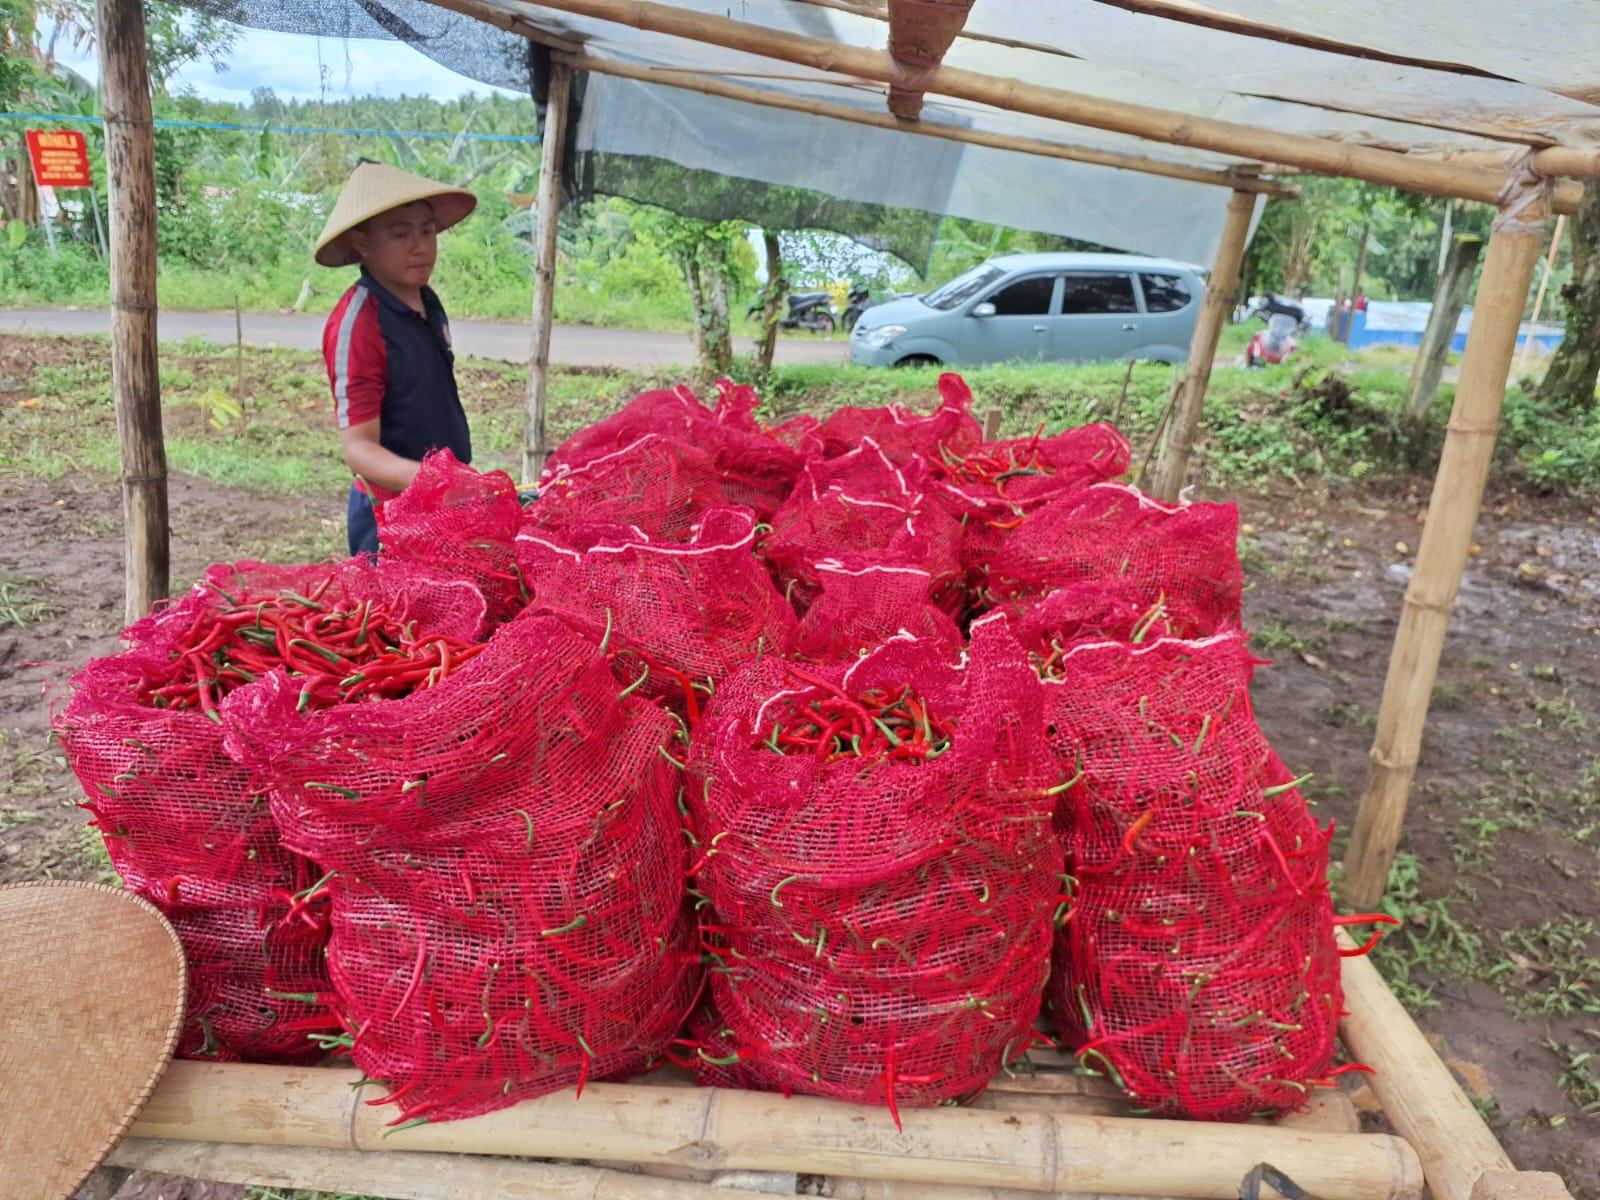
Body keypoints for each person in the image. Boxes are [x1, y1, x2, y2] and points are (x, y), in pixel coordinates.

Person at [314, 162, 478, 556]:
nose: (420, 246)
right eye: (401, 234)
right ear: (362, 244)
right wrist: (436, 481)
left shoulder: (427, 300)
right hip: (388, 515)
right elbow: (359, 450)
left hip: (444, 504)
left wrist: (450, 485)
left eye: (427, 231)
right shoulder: (359, 322)